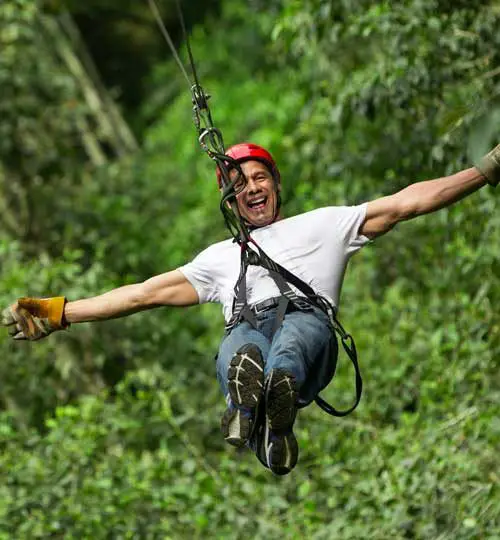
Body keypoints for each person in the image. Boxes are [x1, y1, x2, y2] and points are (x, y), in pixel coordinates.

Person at [2, 142, 499, 475]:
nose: (252, 188)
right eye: (239, 185)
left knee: (289, 348)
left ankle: (270, 402)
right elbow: (143, 293)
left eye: (259, 178)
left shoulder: (324, 225)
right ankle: (251, 405)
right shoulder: (220, 259)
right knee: (242, 347)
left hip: (308, 323)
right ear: (230, 201)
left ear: (275, 185)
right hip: (247, 327)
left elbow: (407, 203)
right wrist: (60, 312)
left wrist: (484, 171)